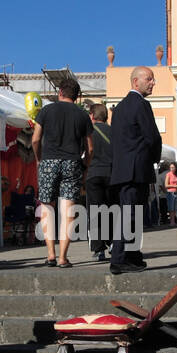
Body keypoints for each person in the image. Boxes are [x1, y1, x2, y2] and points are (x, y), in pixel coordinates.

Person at [31, 78, 93, 268]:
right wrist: (85, 165)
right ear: (76, 96)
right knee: (68, 213)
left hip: (49, 161)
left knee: (47, 208)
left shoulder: (46, 111)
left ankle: (50, 254)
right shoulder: (82, 115)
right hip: (72, 163)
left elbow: (35, 139)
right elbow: (90, 148)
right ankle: (63, 257)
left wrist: (39, 158)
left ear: (60, 92)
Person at [109, 66, 162, 276]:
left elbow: (116, 141)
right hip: (137, 169)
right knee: (131, 214)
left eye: (153, 79)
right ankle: (119, 258)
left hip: (123, 169)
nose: (153, 83)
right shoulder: (141, 104)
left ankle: (132, 256)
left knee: (131, 213)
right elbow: (152, 137)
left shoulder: (120, 107)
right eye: (149, 79)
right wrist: (154, 160)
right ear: (135, 82)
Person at [86, 103, 113, 260]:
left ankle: (98, 248)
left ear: (92, 115)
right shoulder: (113, 132)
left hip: (94, 173)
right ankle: (112, 243)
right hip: (111, 173)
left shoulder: (89, 132)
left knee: (95, 211)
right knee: (111, 209)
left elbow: (86, 151)